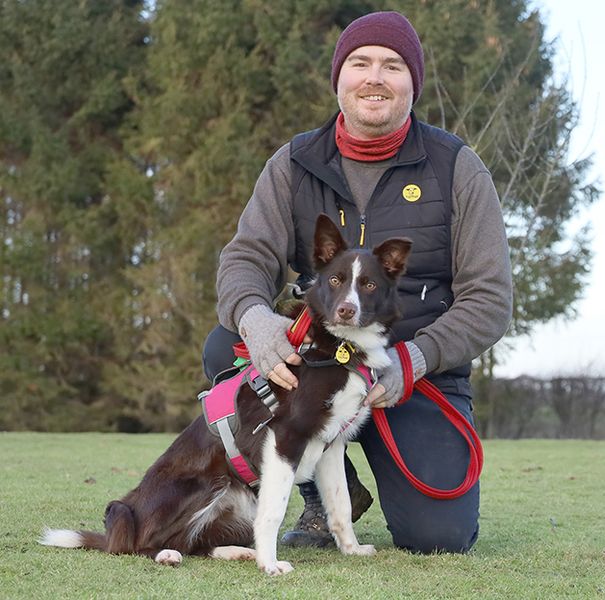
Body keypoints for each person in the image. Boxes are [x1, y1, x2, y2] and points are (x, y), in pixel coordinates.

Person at [203, 10, 512, 554]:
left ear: (412, 83)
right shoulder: (294, 163)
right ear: (339, 79)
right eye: (360, 63)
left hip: (415, 373)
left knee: (438, 538)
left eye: (393, 66)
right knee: (223, 345)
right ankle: (324, 502)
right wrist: (256, 319)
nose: (375, 77)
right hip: (317, 366)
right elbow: (245, 259)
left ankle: (377, 481)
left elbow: (489, 299)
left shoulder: (457, 168)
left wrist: (416, 359)